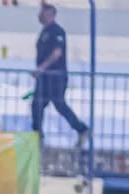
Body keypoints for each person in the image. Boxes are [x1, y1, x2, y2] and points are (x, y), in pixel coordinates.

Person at [33, 4, 88, 146]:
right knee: (37, 104)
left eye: (44, 14)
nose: (40, 16)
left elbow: (57, 53)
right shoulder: (45, 31)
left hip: (55, 76)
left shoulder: (57, 31)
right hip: (45, 77)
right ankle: (37, 136)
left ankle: (81, 129)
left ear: (51, 15)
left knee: (58, 104)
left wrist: (42, 68)